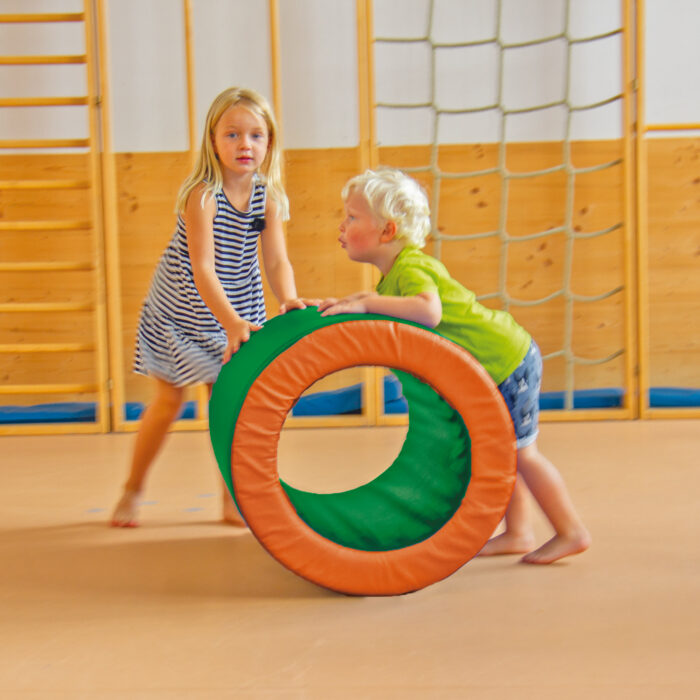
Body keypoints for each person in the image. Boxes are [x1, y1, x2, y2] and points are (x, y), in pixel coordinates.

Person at [316, 168, 591, 564]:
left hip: (506, 363)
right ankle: (518, 532)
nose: (341, 225)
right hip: (494, 367)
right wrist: (360, 301)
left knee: (521, 454)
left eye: (352, 217)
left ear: (387, 231)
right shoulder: (393, 278)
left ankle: (571, 531)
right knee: (502, 450)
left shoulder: (411, 268)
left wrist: (366, 304)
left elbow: (428, 312)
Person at [111, 87, 305, 528]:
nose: (245, 145)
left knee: (230, 403)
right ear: (213, 141)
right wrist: (232, 323)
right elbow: (202, 269)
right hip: (181, 309)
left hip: (237, 304)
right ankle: (132, 489)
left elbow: (276, 260)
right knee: (169, 401)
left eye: (256, 136)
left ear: (269, 143)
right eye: (233, 134)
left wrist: (288, 298)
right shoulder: (204, 195)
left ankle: (230, 499)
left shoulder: (268, 198)